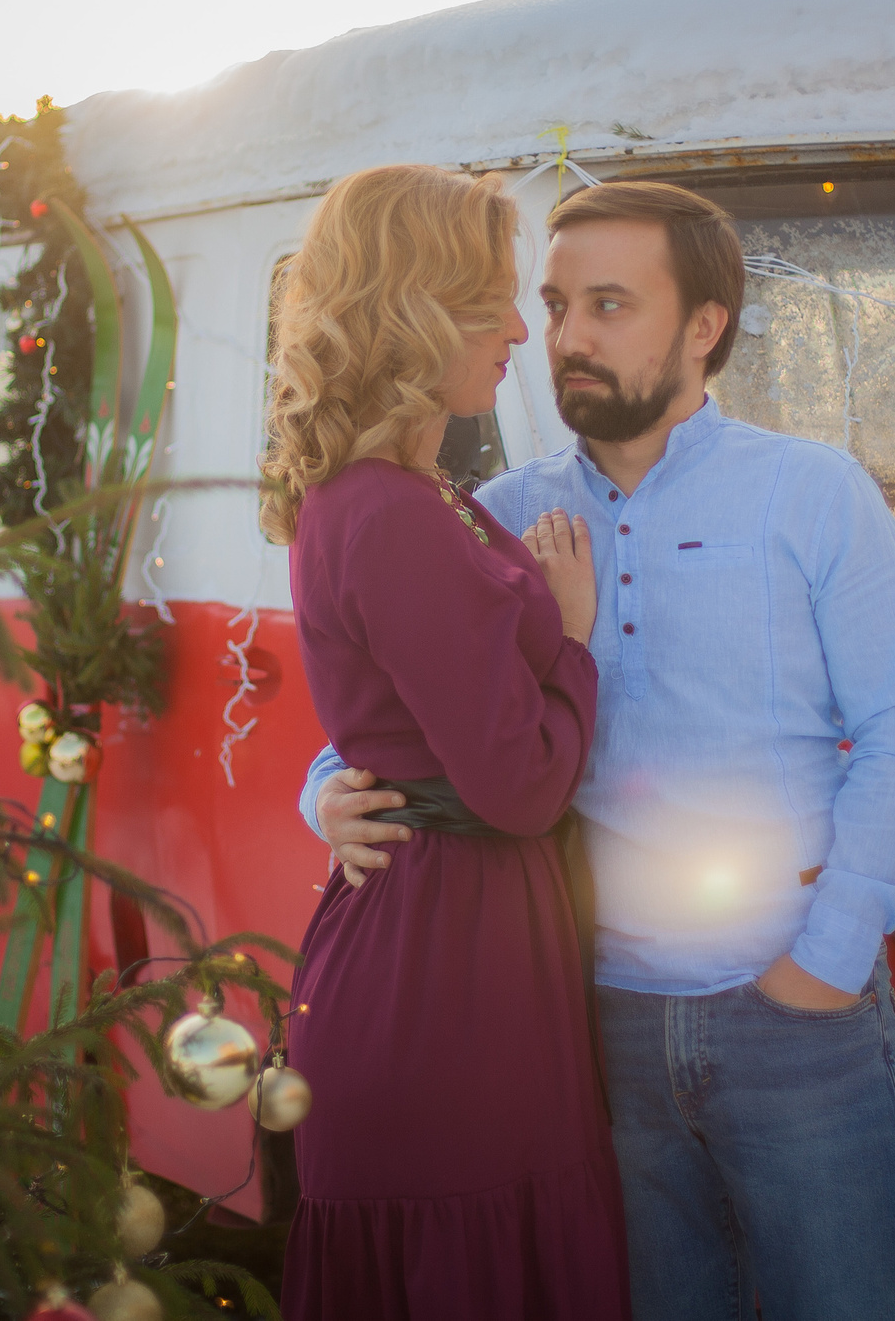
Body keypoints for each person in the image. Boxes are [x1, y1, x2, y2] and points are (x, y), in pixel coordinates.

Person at [302, 178, 895, 1321]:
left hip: (793, 1016)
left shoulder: (810, 494)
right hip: (588, 1020)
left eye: (608, 305)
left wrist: (827, 963)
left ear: (702, 326)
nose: (563, 338)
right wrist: (323, 794)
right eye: (553, 305)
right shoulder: (496, 511)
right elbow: (396, 708)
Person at [264, 164, 633, 1321]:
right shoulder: (387, 508)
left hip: (450, 943)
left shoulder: (396, 493)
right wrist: (571, 639)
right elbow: (518, 785)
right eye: (492, 304)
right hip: (444, 976)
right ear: (412, 308)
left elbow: (395, 727)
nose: (523, 330)